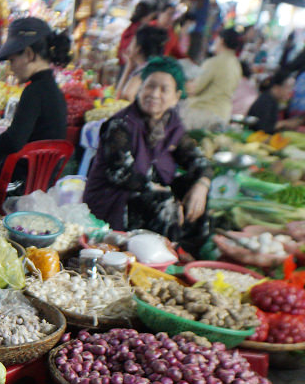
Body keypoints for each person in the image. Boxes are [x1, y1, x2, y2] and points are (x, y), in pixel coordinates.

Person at [83, 56, 212, 255]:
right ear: (141, 88)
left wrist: (202, 185)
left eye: (163, 89)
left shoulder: (171, 124)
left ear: (176, 96)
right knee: (164, 201)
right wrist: (162, 191)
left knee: (195, 187)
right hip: (115, 199)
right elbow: (120, 174)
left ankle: (187, 251)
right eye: (149, 86)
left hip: (147, 195)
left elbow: (197, 160)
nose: (154, 94)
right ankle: (163, 256)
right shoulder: (121, 124)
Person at [0, 18, 69, 158]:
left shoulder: (35, 91)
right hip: (43, 177)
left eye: (12, 60)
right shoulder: (53, 89)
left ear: (29, 54)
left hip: (23, 177)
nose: (11, 68)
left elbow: (13, 142)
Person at [182, 27, 242, 129]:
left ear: (221, 40)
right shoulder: (237, 65)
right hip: (223, 115)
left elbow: (194, 89)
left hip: (203, 115)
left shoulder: (214, 62)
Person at [114, 24, 168, 102]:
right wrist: (129, 66)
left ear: (138, 48)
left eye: (132, 42)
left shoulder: (144, 71)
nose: (128, 46)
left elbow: (125, 96)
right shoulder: (144, 67)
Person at [117, 0, 156, 66]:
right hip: (129, 65)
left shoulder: (133, 27)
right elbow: (129, 53)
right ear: (145, 17)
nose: (151, 21)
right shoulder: (140, 31)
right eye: (150, 18)